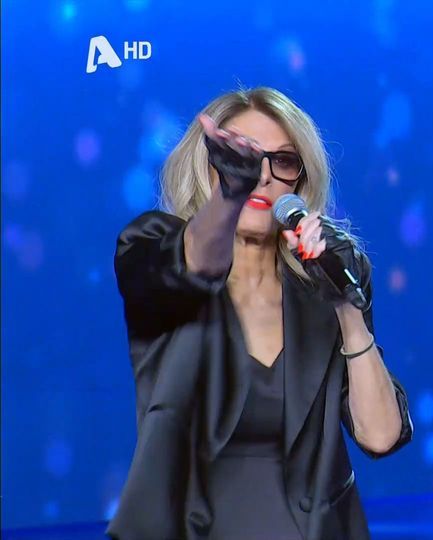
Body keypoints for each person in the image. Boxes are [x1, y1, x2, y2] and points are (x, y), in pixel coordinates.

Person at [107, 87, 413, 540]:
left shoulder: (325, 282)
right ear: (207, 165)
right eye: (242, 158)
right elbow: (197, 263)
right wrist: (231, 195)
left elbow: (380, 436)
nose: (261, 176)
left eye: (282, 161)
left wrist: (347, 311)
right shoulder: (150, 248)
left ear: (300, 181)